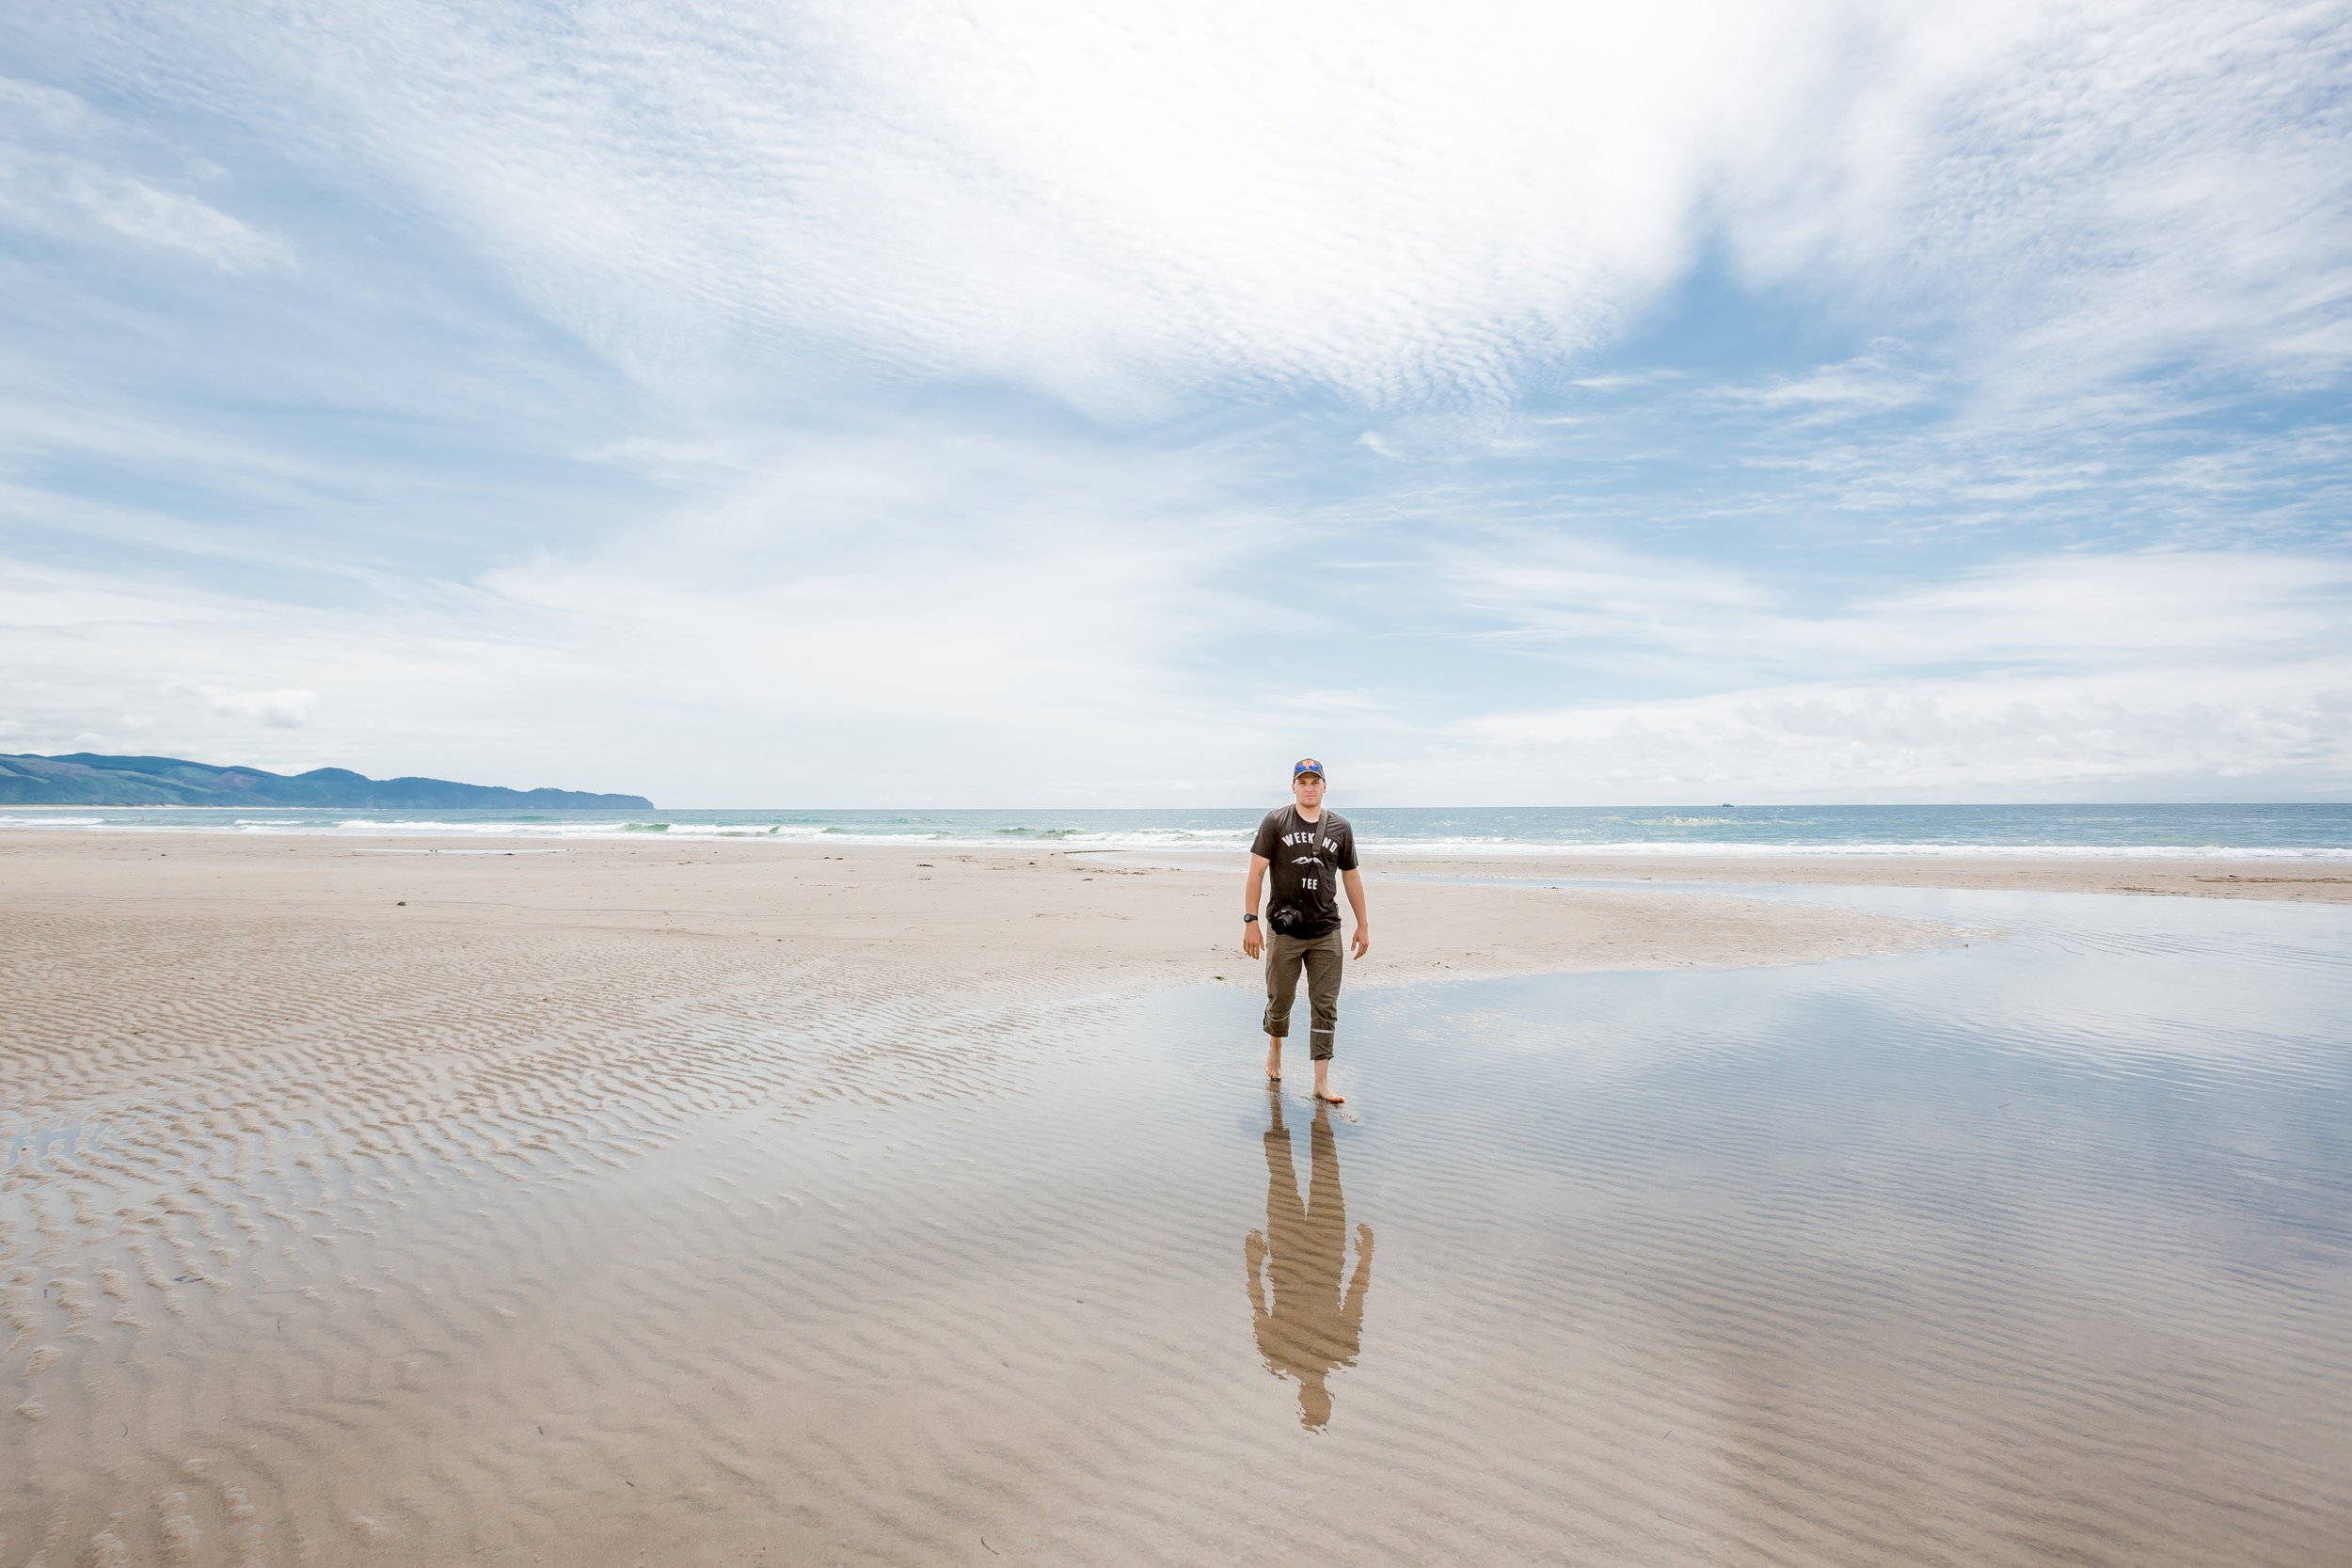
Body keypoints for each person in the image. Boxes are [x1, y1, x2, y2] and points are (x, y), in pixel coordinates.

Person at [1244, 1089, 1373, 1430]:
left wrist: (1254, 1264)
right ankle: (1305, 1117)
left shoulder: (1278, 1355)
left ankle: (1279, 1114)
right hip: (1323, 1256)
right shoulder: (1342, 1350)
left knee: (1292, 1177)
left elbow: (1259, 1306)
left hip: (1295, 1257)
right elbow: (1355, 1298)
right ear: (1325, 1397)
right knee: (1319, 1176)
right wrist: (1365, 1259)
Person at [1242, 757, 1369, 1103]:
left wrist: (1363, 924)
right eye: (1303, 781)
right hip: (1284, 932)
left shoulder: (1341, 828)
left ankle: (1321, 1083)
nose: (1309, 787)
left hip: (1327, 930)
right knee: (1280, 999)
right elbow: (1256, 874)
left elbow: (1351, 876)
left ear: (1325, 786)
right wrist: (1251, 922)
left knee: (1325, 1006)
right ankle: (1275, 1045)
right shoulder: (1275, 822)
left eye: (1316, 781)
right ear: (1293, 786)